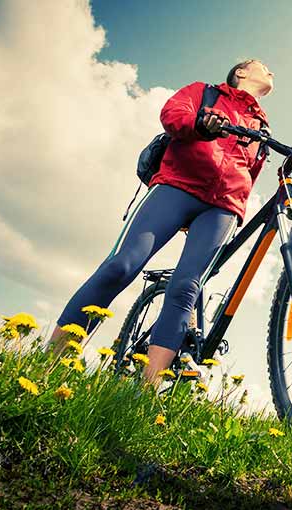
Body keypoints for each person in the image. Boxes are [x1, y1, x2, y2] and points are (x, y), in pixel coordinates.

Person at [46, 59, 274, 387]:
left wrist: (237, 208)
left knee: (186, 286)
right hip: (178, 186)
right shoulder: (205, 93)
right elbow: (172, 115)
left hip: (223, 206)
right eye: (262, 66)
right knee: (121, 266)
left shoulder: (261, 124)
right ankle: (52, 363)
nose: (271, 72)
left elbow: (250, 171)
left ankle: (147, 392)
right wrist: (201, 122)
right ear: (240, 73)